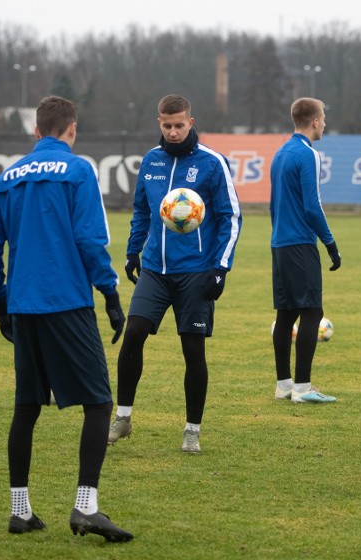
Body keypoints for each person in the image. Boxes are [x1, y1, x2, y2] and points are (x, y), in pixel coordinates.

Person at [0, 95, 132, 542]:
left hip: (23, 307)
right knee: (100, 403)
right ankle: (87, 507)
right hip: (66, 303)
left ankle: (19, 511)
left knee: (26, 407)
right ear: (72, 130)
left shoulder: (9, 177)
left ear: (36, 132)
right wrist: (109, 292)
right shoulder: (80, 170)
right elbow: (89, 239)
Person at [108, 95, 241, 453]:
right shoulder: (151, 161)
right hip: (155, 268)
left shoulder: (213, 163)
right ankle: (122, 417)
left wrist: (220, 267)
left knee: (192, 349)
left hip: (196, 272)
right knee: (134, 332)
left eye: (179, 125)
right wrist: (133, 250)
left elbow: (231, 217)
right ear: (159, 124)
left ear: (191, 122)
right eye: (167, 125)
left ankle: (192, 430)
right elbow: (141, 210)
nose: (173, 131)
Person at [269, 97, 341, 404]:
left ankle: (284, 384)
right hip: (300, 243)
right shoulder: (308, 154)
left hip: (280, 244)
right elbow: (313, 206)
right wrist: (330, 244)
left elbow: (274, 205)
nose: (324, 123)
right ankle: (302, 387)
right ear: (314, 121)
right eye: (323, 117)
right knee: (312, 311)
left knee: (286, 314)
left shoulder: (280, 153)